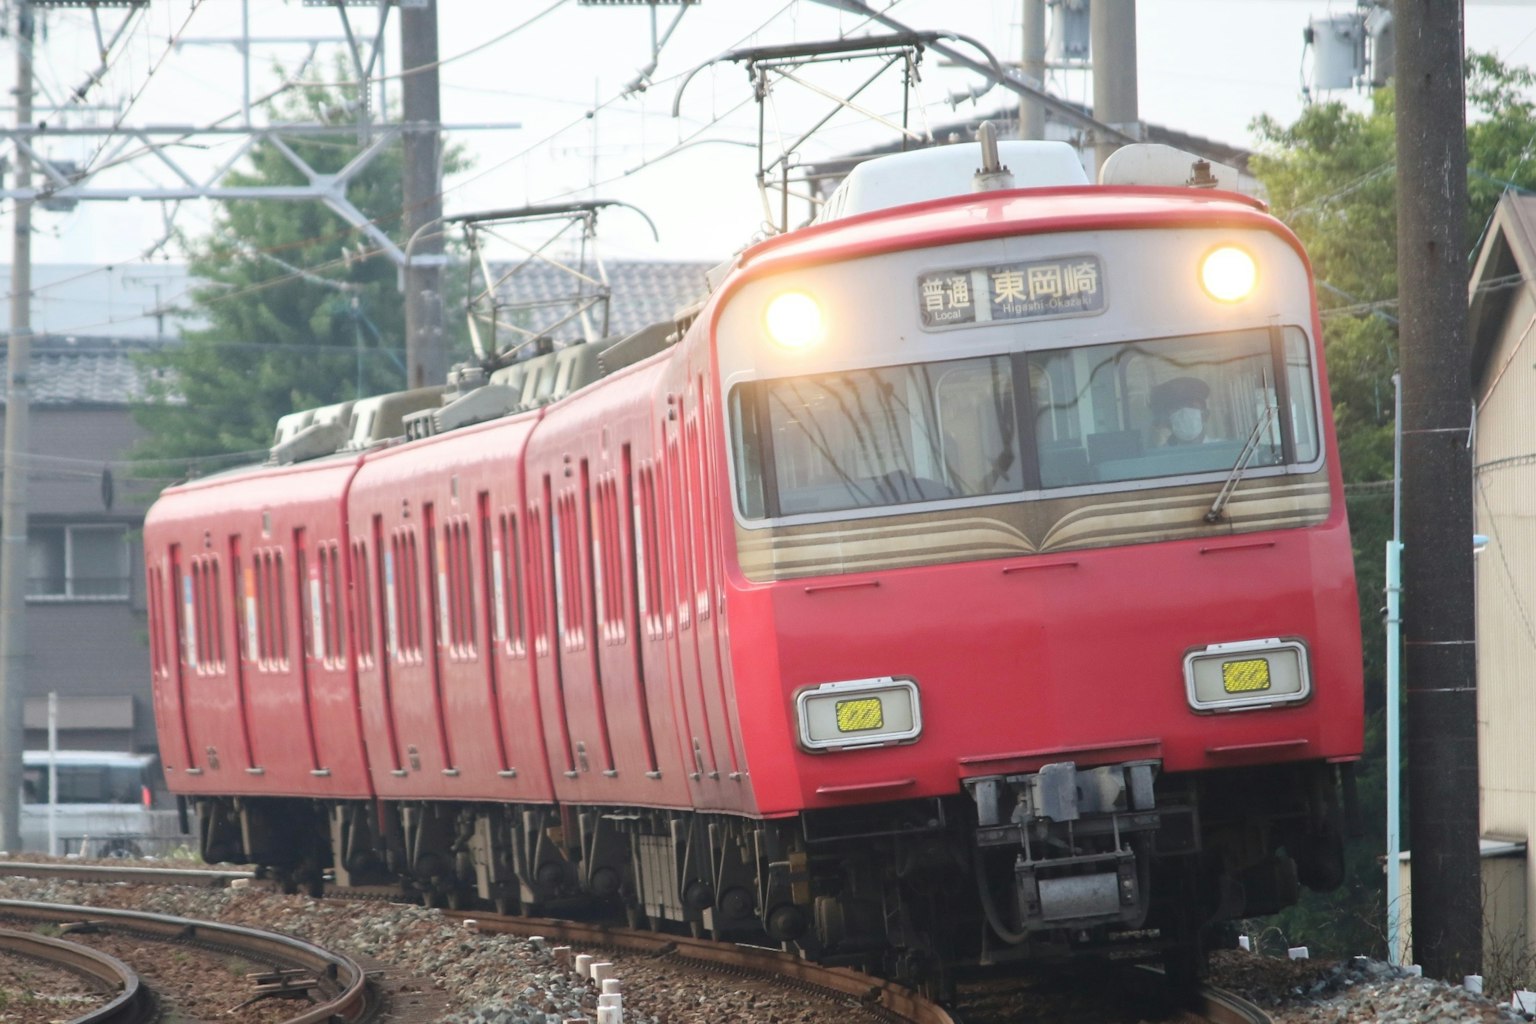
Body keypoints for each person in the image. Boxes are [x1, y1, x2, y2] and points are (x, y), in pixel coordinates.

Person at [1150, 376, 1213, 445]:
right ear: (1167, 420)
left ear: (1205, 416)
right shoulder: (1159, 452)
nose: (1184, 413)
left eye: (1191, 406)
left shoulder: (1220, 448)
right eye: (1177, 408)